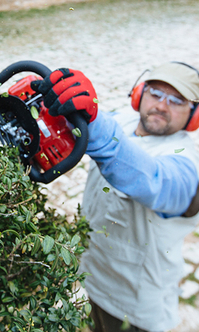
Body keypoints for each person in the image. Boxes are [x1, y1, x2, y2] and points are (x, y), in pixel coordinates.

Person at [31, 62, 199, 332]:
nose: (162, 106)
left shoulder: (185, 163)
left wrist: (95, 124)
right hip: (93, 276)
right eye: (156, 93)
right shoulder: (124, 120)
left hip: (135, 305)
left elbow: (154, 180)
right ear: (139, 94)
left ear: (194, 115)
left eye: (177, 101)